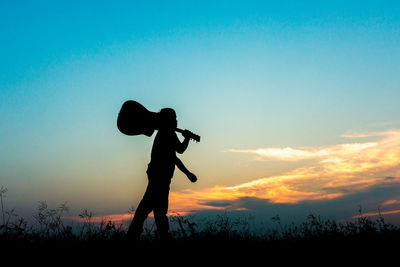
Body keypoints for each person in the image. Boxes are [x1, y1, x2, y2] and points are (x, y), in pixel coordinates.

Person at [127, 108, 197, 241]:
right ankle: (136, 236)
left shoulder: (164, 133)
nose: (176, 121)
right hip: (160, 177)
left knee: (155, 209)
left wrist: (188, 173)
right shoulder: (167, 133)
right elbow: (180, 150)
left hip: (159, 176)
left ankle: (135, 235)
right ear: (168, 120)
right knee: (153, 208)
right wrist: (187, 138)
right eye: (174, 118)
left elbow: (173, 158)